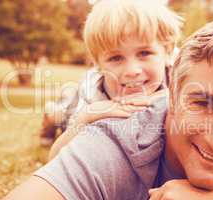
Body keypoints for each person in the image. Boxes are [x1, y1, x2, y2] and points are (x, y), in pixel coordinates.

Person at [4, 16, 213, 200]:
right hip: (83, 108)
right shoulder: (116, 135)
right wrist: (79, 126)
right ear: (174, 93)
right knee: (62, 112)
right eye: (202, 102)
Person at [38, 0, 182, 148]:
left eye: (144, 53)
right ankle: (49, 116)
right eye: (116, 58)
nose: (132, 71)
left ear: (168, 52)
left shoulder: (178, 74)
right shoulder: (92, 94)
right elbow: (61, 153)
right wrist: (86, 115)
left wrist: (161, 97)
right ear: (98, 64)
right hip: (74, 108)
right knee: (59, 114)